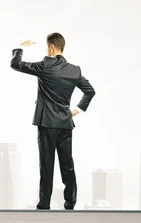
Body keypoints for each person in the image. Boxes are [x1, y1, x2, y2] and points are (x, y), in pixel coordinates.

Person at [10, 32, 95, 210]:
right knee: (67, 165)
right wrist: (77, 110)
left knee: (46, 165)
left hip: (47, 123)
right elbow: (90, 91)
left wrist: (22, 46)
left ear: (51, 47)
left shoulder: (45, 67)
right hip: (65, 123)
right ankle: (70, 203)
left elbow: (15, 64)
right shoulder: (75, 70)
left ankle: (44, 204)